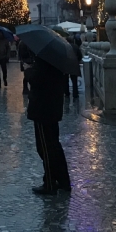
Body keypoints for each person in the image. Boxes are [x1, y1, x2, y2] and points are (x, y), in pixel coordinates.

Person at [25, 56, 71, 195]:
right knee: (54, 145)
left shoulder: (43, 62)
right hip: (52, 109)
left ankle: (50, 183)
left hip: (42, 110)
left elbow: (37, 80)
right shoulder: (57, 61)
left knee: (45, 147)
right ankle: (63, 181)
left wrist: (28, 72)